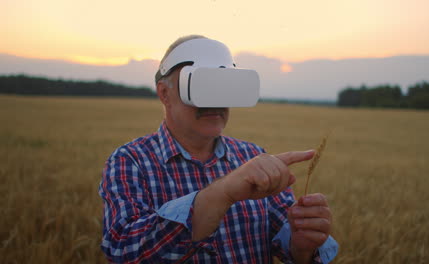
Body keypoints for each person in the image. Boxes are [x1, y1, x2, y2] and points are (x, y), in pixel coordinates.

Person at [99, 35, 338, 264]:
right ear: (164, 93)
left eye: (223, 87)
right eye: (202, 87)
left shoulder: (253, 156)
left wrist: (301, 246)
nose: (215, 102)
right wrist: (223, 193)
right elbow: (123, 251)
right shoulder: (130, 161)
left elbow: (289, 245)